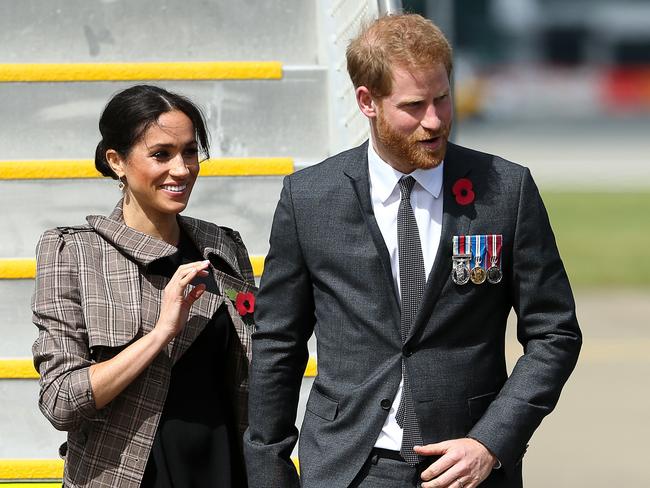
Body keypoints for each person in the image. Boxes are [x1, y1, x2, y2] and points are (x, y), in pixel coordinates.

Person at [244, 14, 581, 488]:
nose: (435, 120)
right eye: (414, 105)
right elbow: (278, 341)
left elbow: (555, 334)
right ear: (367, 102)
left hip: (467, 467)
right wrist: (268, 469)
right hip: (349, 466)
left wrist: (491, 441)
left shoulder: (507, 189)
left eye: (442, 99)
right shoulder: (309, 197)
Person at [32, 85, 255, 487]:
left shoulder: (222, 246)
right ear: (117, 161)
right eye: (161, 154)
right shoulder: (75, 253)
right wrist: (161, 333)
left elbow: (253, 365)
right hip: (128, 477)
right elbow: (60, 401)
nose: (182, 169)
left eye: (190, 151)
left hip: (225, 469)